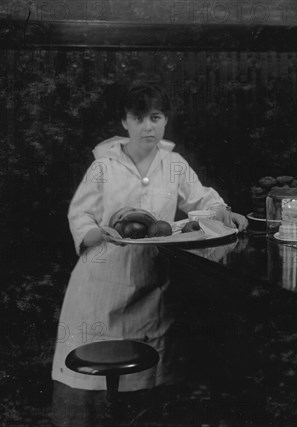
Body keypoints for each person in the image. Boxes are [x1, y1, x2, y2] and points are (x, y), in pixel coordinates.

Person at [50, 81, 248, 426]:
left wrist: (222, 211)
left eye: (155, 117)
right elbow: (79, 215)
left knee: (148, 371)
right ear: (125, 122)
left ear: (165, 120)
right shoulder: (104, 166)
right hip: (102, 281)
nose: (148, 127)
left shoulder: (172, 164)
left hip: (152, 281)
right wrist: (100, 233)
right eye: (139, 118)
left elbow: (203, 199)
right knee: (98, 366)